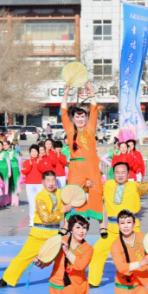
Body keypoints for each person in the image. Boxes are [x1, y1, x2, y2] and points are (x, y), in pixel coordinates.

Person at [93, 162, 148, 288]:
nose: (120, 175)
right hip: (112, 228)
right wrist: (87, 185)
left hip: (132, 227)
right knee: (98, 250)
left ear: (128, 174)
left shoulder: (135, 186)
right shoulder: (106, 185)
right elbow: (92, 189)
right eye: (117, 172)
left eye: (123, 172)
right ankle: (93, 281)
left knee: (145, 251)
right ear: (113, 174)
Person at [0, 171, 72, 288]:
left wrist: (85, 186)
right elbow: (46, 218)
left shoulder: (61, 193)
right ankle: (7, 278)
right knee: (23, 257)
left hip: (56, 234)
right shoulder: (40, 197)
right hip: (39, 234)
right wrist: (63, 210)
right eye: (48, 180)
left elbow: (75, 195)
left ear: (56, 181)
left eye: (53, 180)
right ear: (43, 182)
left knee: (66, 254)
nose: (51, 183)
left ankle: (68, 277)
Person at [60, 82, 104, 221]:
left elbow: (94, 109)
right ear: (73, 119)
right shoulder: (70, 130)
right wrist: (66, 93)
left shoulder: (90, 128)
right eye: (77, 117)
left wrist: (91, 90)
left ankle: (97, 219)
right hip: (76, 168)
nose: (80, 119)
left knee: (96, 189)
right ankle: (70, 221)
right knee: (74, 193)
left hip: (91, 166)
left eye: (82, 116)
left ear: (86, 118)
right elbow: (64, 112)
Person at [22, 146, 45, 226]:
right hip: (29, 184)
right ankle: (32, 220)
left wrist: (38, 165)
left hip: (40, 184)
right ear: (30, 152)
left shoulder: (41, 161)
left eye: (35, 151)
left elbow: (44, 170)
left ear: (38, 152)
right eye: (32, 151)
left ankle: (40, 219)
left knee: (40, 202)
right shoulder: (26, 162)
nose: (34, 153)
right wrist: (29, 165)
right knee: (31, 202)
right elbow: (24, 171)